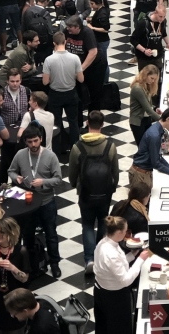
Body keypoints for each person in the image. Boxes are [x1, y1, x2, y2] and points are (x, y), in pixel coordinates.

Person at [9, 125, 63, 279]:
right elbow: (11, 171)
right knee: (28, 234)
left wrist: (43, 182)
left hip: (46, 201)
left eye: (35, 141)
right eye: (30, 142)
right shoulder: (20, 155)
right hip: (28, 203)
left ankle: (54, 263)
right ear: (25, 142)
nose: (33, 144)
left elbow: (58, 179)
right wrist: (16, 178)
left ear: (41, 139)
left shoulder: (50, 156)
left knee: (51, 233)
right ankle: (30, 264)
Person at [69, 110, 119, 274]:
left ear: (87, 123)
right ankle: (101, 256)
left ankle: (90, 259)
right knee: (104, 222)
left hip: (86, 193)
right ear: (102, 124)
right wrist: (112, 187)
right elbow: (115, 171)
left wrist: (75, 185)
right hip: (105, 192)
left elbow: (72, 173)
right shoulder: (110, 146)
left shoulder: (77, 147)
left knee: (87, 224)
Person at [93, 216, 151, 334]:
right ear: (119, 232)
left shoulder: (103, 242)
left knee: (103, 326)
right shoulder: (111, 253)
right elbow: (125, 280)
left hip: (101, 291)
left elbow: (115, 266)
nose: (127, 234)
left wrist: (133, 254)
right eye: (125, 231)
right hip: (114, 297)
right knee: (120, 328)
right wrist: (140, 259)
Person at [111, 182, 169, 267]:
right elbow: (152, 244)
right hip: (128, 253)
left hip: (114, 246)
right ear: (145, 197)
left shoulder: (120, 204)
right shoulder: (139, 218)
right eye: (149, 196)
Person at [0, 217, 31, 333]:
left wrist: (13, 268)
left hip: (15, 299)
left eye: (2, 232)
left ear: (11, 233)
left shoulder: (21, 251)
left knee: (15, 329)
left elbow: (25, 279)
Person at [129, 107, 169, 189]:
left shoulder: (157, 130)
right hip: (140, 174)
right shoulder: (155, 135)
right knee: (141, 197)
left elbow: (158, 157)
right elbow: (156, 163)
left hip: (145, 172)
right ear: (168, 119)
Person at [47, 30, 85, 148]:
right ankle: (75, 147)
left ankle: (58, 148)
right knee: (73, 122)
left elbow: (45, 81)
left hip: (55, 95)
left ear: (54, 43)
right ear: (65, 42)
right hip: (71, 94)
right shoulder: (75, 58)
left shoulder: (49, 60)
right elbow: (81, 79)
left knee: (56, 123)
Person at [0, 68, 31, 181]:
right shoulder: (1, 93)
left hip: (22, 129)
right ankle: (2, 183)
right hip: (6, 131)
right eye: (12, 81)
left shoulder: (26, 91)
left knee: (22, 157)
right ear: (7, 81)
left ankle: (20, 181)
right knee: (5, 158)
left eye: (17, 81)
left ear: (21, 80)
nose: (15, 84)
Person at [130, 5, 169, 77]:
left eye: (164, 16)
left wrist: (168, 43)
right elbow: (133, 40)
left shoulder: (163, 21)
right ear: (155, 13)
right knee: (144, 79)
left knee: (157, 78)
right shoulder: (143, 23)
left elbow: (163, 33)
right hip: (144, 58)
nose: (162, 19)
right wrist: (144, 50)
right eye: (160, 16)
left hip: (157, 56)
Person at [129, 64, 161, 145]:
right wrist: (162, 120)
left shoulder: (146, 85)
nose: (153, 81)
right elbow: (148, 109)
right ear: (146, 75)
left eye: (154, 79)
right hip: (138, 122)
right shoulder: (137, 88)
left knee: (148, 145)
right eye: (152, 78)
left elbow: (148, 103)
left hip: (146, 119)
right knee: (143, 147)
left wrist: (155, 108)